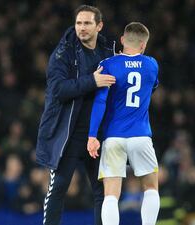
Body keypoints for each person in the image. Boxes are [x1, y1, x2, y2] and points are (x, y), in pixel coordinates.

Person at [35, 5, 116, 225]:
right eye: (79, 23)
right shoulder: (63, 53)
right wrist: (93, 80)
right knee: (58, 188)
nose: (81, 28)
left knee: (103, 191)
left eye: (87, 23)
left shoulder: (108, 53)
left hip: (96, 135)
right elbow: (58, 90)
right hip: (67, 135)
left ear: (99, 26)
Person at [87, 22, 160, 225]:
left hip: (114, 136)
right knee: (151, 188)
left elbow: (100, 101)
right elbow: (151, 88)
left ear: (121, 40)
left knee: (111, 194)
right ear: (144, 45)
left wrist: (92, 136)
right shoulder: (152, 64)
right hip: (141, 136)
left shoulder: (109, 65)